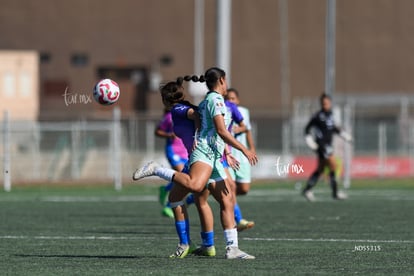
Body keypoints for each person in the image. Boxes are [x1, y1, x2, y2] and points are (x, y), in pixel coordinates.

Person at [133, 67, 258, 259]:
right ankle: (157, 170)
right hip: (205, 154)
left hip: (210, 154)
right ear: (222, 80)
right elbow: (213, 126)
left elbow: (210, 125)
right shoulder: (208, 101)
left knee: (222, 199)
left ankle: (227, 248)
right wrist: (241, 149)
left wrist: (225, 150)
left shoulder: (203, 103)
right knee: (194, 192)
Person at [303, 93, 352, 201]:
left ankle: (307, 190)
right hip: (322, 145)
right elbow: (307, 129)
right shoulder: (318, 116)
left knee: (320, 170)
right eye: (324, 103)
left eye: (327, 103)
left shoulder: (330, 115)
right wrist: (309, 140)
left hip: (328, 145)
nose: (326, 105)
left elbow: (333, 128)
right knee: (333, 165)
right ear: (321, 104)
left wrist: (344, 135)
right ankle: (335, 193)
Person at [225, 88, 256, 231]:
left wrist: (252, 148)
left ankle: (225, 198)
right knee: (231, 188)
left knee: (243, 189)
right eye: (228, 98)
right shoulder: (223, 110)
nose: (231, 101)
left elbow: (247, 129)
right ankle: (238, 219)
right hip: (229, 156)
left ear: (238, 100)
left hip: (242, 157)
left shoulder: (243, 112)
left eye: (233, 99)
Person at [154, 109, 188, 218]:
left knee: (185, 179)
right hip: (173, 151)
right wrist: (169, 135)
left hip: (186, 151)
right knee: (181, 176)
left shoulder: (187, 115)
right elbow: (158, 131)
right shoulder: (169, 116)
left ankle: (166, 189)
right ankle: (169, 206)